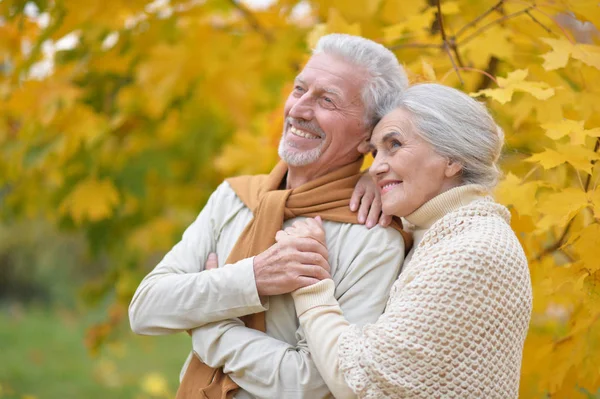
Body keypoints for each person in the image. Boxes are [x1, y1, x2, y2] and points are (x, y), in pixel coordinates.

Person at [128, 34, 411, 399]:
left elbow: (313, 384)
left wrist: (209, 325)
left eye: (327, 100)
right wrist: (251, 279)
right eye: (299, 89)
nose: (299, 109)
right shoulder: (234, 197)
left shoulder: (374, 237)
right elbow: (146, 308)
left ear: (367, 138)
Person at [285, 83, 533, 398]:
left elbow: (362, 379)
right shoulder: (438, 234)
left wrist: (311, 284)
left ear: (452, 160)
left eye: (395, 145)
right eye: (375, 153)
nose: (375, 167)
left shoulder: (474, 251)